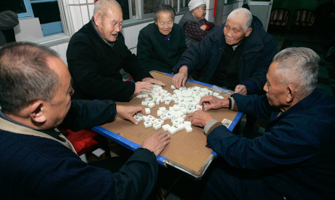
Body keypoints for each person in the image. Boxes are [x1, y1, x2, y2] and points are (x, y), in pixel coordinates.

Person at [0, 42, 171, 199]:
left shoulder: (7, 115)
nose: (73, 94)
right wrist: (147, 152)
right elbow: (117, 193)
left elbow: (74, 111)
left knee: (118, 164)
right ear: (38, 110)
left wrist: (115, 109)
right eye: (68, 92)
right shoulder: (49, 168)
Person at [188, 47, 335, 199]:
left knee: (212, 177)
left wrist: (210, 123)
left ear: (290, 92)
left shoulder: (304, 130)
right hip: (287, 170)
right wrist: (226, 102)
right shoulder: (310, 93)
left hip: (294, 188)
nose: (264, 87)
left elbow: (246, 154)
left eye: (270, 84)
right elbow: (263, 104)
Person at [67, 0, 165, 102]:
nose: (118, 29)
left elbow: (128, 59)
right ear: (97, 19)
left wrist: (143, 76)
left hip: (115, 94)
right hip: (91, 103)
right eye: (114, 23)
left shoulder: (115, 36)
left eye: (121, 23)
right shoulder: (79, 43)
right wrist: (131, 88)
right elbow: (90, 83)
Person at [173, 7, 277, 96]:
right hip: (213, 85)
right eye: (227, 27)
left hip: (239, 89)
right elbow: (198, 51)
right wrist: (183, 68)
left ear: (247, 32)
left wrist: (249, 85)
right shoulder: (217, 33)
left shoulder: (264, 43)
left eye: (235, 30)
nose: (228, 34)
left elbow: (264, 71)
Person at [137, 4, 187, 73]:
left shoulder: (179, 30)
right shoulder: (146, 33)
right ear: (156, 22)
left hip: (177, 69)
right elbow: (143, 61)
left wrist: (181, 69)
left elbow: (183, 52)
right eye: (162, 23)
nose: (166, 26)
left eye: (169, 22)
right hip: (157, 72)